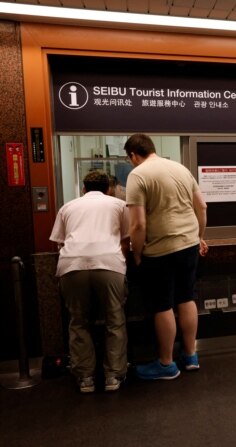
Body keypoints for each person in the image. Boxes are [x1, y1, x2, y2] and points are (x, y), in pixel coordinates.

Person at [124, 133, 208, 380]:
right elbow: (201, 207)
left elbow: (137, 225)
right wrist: (200, 236)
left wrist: (137, 253)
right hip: (189, 245)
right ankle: (191, 355)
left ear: (133, 155)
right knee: (186, 297)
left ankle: (166, 363)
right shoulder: (180, 168)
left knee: (163, 305)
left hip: (160, 250)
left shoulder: (138, 175)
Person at [49, 170, 130, 393]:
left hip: (72, 265)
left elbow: (59, 242)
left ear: (83, 189)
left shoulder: (68, 207)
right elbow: (126, 240)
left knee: (78, 321)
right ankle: (113, 376)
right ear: (109, 188)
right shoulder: (118, 205)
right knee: (115, 319)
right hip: (108, 263)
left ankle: (85, 377)